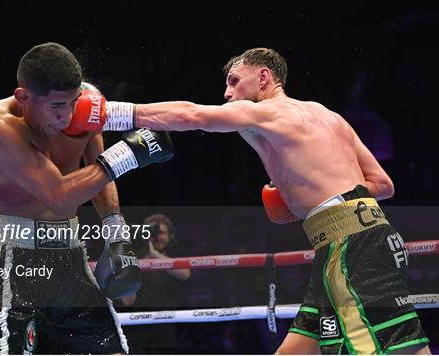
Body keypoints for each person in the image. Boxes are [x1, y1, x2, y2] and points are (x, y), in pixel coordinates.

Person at [74, 47, 431, 354]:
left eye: (234, 81)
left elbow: (191, 115)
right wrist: (309, 203)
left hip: (351, 247)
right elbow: (382, 184)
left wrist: (107, 113)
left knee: (396, 348)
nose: (227, 93)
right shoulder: (330, 117)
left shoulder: (269, 112)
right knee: (298, 350)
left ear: (264, 77)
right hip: (356, 239)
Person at [0, 42, 174, 354]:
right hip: (8, 257)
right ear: (23, 98)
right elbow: (58, 194)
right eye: (57, 107)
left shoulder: (87, 105)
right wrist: (129, 153)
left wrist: (116, 234)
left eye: (73, 102)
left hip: (68, 255)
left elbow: (97, 170)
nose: (68, 116)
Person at [120, 214, 191, 354]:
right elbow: (128, 301)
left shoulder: (176, 258)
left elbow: (185, 274)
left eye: (162, 232)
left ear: (170, 236)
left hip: (167, 336)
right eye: (152, 232)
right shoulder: (133, 260)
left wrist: (154, 255)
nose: (157, 236)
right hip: (136, 337)